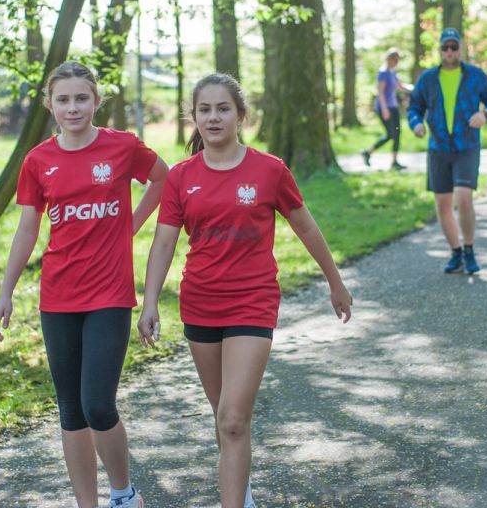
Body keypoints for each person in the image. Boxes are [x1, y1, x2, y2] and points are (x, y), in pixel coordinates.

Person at [138, 73, 353, 508]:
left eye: (223, 109)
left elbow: (305, 226)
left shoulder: (270, 170)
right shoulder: (181, 176)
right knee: (224, 417)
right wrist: (150, 302)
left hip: (253, 302)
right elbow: (163, 244)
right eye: (204, 110)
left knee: (234, 418)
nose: (213, 118)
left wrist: (335, 281)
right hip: (200, 303)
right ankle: (240, 489)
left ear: (241, 115)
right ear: (194, 117)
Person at [0, 61, 168, 508]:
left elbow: (164, 179)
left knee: (98, 406)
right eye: (64, 99)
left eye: (81, 98)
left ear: (96, 101)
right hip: (58, 297)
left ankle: (123, 495)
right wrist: (6, 292)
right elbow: (27, 229)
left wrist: (130, 224)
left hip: (109, 295)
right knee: (70, 409)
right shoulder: (38, 160)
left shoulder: (122, 146)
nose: (73, 108)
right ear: (49, 104)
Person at [408, 27, 487, 275]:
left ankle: (469, 250)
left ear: (460, 49)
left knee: (463, 197)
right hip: (438, 148)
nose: (450, 51)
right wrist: (416, 124)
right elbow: (414, 107)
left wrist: (485, 114)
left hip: (466, 146)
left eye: (454, 47)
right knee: (442, 204)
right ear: (440, 50)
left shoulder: (475, 75)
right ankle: (456, 253)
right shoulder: (428, 79)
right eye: (445, 47)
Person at [361, 48, 413, 170]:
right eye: (394, 59)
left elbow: (400, 87)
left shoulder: (392, 72)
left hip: (393, 107)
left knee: (397, 133)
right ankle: (368, 152)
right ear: (388, 59)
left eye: (397, 60)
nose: (395, 62)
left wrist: (414, 89)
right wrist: (384, 109)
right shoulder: (383, 72)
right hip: (385, 107)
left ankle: (394, 161)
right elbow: (380, 92)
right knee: (391, 134)